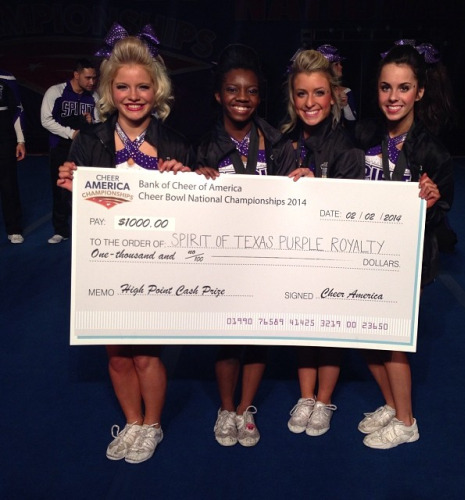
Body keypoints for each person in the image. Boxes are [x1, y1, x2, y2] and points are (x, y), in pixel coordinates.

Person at [58, 23, 193, 463]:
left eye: (143, 87)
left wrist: (187, 181)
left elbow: (192, 219)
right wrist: (71, 186)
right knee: (116, 355)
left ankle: (152, 424)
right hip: (105, 264)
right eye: (123, 87)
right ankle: (133, 421)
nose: (133, 96)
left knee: (147, 354)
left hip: (155, 264)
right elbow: (83, 212)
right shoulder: (89, 141)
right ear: (108, 90)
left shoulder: (175, 144)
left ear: (158, 90)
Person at [195, 43, 296, 447]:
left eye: (251, 91)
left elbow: (294, 201)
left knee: (258, 337)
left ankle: (244, 408)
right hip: (223, 259)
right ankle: (225, 408)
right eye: (233, 90)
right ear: (219, 95)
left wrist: (302, 181)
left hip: (266, 257)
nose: (242, 98)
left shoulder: (278, 143)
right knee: (226, 339)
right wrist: (193, 180)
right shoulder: (203, 145)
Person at [354, 42, 453, 449]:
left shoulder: (433, 152)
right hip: (363, 255)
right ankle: (393, 404)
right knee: (362, 337)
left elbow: (443, 220)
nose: (393, 97)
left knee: (391, 341)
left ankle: (407, 422)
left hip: (407, 263)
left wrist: (432, 203)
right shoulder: (364, 135)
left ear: (420, 92)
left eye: (404, 88)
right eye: (385, 87)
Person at [281, 49, 364, 436]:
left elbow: (351, 211)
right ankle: (305, 396)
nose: (310, 102)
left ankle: (324, 398)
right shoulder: (284, 140)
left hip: (332, 254)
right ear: (292, 97)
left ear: (333, 96)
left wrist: (321, 188)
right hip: (295, 250)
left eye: (318, 93)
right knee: (303, 323)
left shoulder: (346, 147)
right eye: (302, 94)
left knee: (329, 325)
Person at [41, 58, 99, 243]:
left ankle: (86, 230)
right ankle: (61, 231)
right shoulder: (56, 92)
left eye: (94, 78)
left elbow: (99, 123)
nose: (92, 82)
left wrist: (91, 122)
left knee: (86, 189)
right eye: (88, 78)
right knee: (60, 188)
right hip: (60, 147)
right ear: (76, 75)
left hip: (85, 149)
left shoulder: (94, 96)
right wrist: (70, 133)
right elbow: (46, 120)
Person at [0, 69, 26, 243]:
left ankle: (14, 229)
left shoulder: (6, 78)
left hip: (4, 135)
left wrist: (20, 140)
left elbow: (17, 109)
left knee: (8, 183)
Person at [316, 44, 357, 130]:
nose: (341, 67)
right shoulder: (315, 92)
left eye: (340, 64)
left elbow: (352, 123)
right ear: (327, 68)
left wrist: (345, 105)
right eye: (336, 64)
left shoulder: (346, 92)